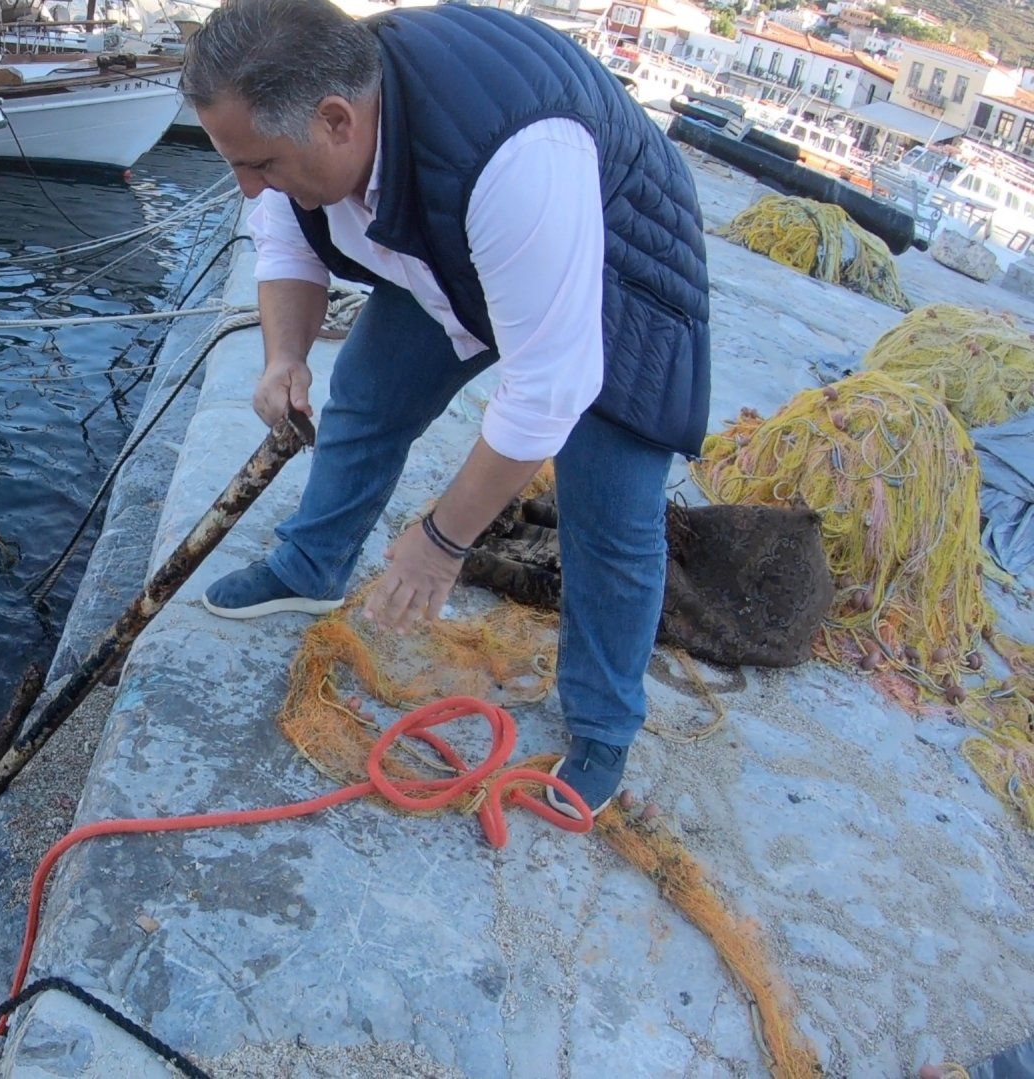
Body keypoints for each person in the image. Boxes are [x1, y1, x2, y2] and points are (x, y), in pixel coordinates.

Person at [180, 0, 711, 816]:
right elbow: (283, 235)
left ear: (336, 122)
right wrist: (284, 355)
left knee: (611, 511)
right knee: (366, 391)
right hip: (454, 230)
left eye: (260, 163)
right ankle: (309, 566)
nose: (247, 184)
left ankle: (602, 732)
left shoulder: (515, 164)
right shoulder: (306, 126)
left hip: (612, 249)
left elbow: (546, 391)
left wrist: (440, 542)